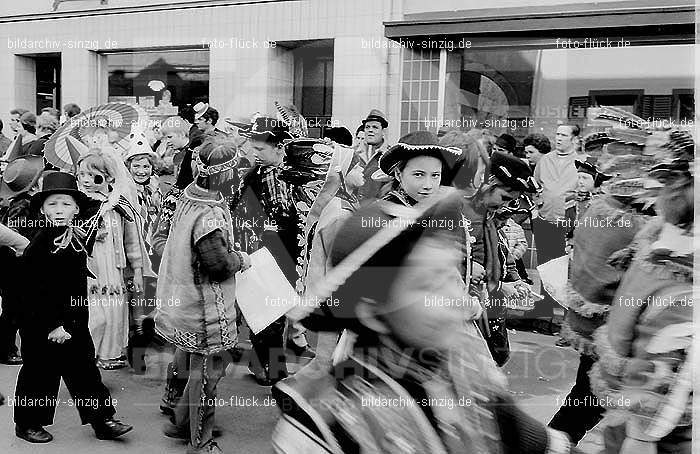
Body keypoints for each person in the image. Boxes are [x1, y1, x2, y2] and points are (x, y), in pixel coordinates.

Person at [275, 131, 573, 454]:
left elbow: (525, 437)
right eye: (428, 286)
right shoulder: (324, 428)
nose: (454, 302)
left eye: (447, 277)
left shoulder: (463, 365)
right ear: (374, 311)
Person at [13, 171, 133, 444]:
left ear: (76, 209)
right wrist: (55, 325)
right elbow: (34, 292)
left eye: (66, 204)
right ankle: (28, 422)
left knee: (85, 372)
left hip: (73, 321)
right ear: (42, 209)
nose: (59, 210)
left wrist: (72, 323)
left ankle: (102, 420)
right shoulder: (40, 244)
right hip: (43, 324)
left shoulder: (76, 238)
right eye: (53, 204)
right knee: (40, 374)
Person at [155, 139, 251, 454]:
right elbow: (219, 265)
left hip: (181, 299)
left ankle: (177, 417)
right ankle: (199, 441)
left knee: (185, 357)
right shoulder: (209, 214)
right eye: (236, 168)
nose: (240, 173)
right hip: (205, 307)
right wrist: (243, 259)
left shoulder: (187, 197)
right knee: (209, 372)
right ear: (223, 174)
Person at [231, 116, 298, 385]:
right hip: (261, 249)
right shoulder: (252, 175)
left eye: (260, 149)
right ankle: (270, 368)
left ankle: (264, 364)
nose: (254, 153)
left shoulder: (297, 173)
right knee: (266, 308)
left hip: (290, 248)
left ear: (280, 146)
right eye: (253, 148)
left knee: (279, 308)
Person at [77, 147, 154, 370]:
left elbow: (132, 241)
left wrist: (138, 270)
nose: (86, 180)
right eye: (81, 175)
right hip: (89, 269)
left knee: (114, 310)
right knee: (93, 314)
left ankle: (108, 354)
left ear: (109, 177)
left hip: (114, 269)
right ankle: (85, 355)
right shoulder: (78, 204)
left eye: (93, 175)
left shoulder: (119, 206)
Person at [530, 123, 580, 329]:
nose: (559, 138)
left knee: (568, 273)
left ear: (574, 139)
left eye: (564, 135)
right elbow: (534, 185)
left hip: (569, 225)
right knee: (547, 269)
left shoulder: (582, 162)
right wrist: (536, 209)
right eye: (557, 134)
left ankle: (569, 323)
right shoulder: (545, 160)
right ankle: (543, 315)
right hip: (545, 220)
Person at [356, 109, 391, 203]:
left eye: (375, 127)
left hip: (374, 212)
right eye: (367, 127)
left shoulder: (389, 156)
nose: (370, 130)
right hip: (352, 210)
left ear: (383, 131)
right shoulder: (353, 153)